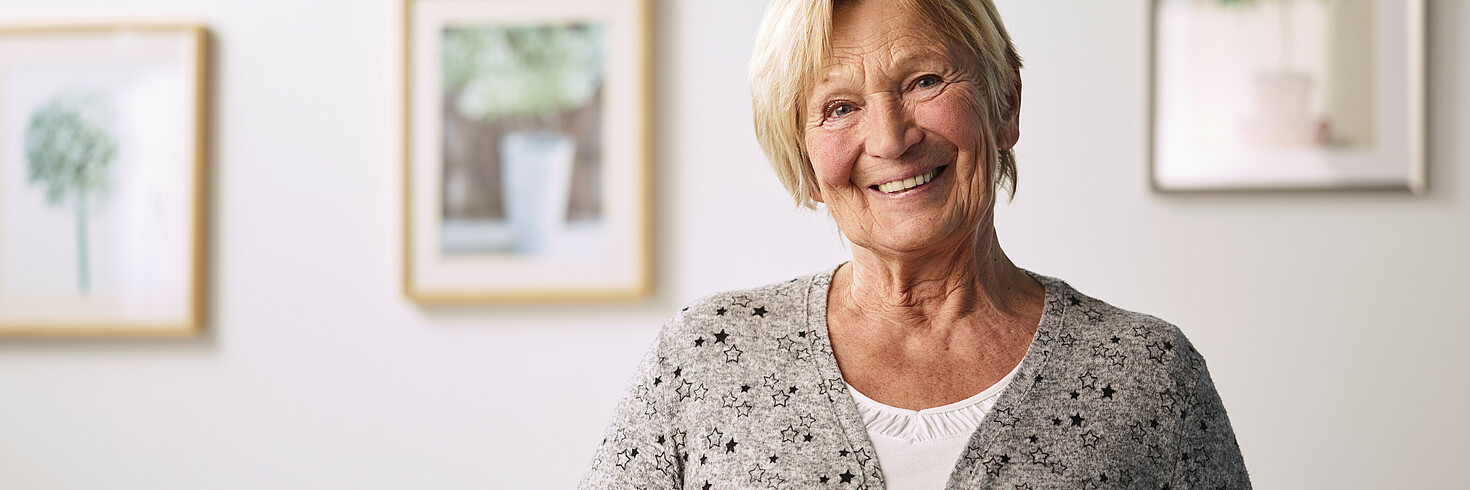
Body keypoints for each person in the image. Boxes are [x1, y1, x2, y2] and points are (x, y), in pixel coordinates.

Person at [580, 0, 1250, 488]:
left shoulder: (1149, 376)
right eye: (839, 107)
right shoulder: (706, 359)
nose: (892, 138)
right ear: (805, 162)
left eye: (925, 81)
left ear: (1005, 102)